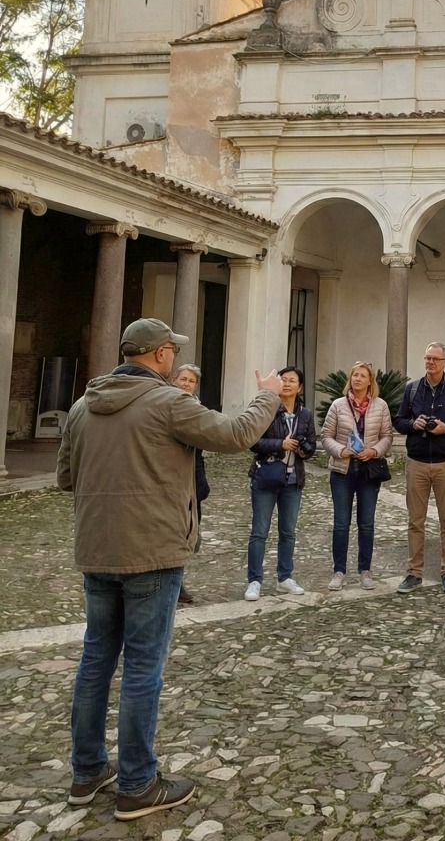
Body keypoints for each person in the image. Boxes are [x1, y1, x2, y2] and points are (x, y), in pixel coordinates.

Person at [57, 318, 282, 821]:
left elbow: (65, 477)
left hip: (96, 550)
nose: (175, 358)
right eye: (172, 352)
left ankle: (87, 770)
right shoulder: (167, 402)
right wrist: (268, 395)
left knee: (96, 661)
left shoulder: (79, 407)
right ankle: (137, 782)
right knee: (142, 666)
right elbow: (235, 434)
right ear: (159, 355)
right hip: (154, 552)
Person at [395, 342, 445, 595]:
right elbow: (399, 421)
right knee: (415, 521)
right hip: (417, 462)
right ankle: (414, 572)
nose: (430, 362)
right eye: (427, 358)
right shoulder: (412, 389)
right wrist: (413, 423)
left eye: (435, 359)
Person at [244, 366, 317, 601]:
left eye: (292, 380)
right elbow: (253, 441)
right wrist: (280, 444)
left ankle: (284, 577)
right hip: (266, 476)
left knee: (288, 532)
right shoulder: (266, 408)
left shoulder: (305, 415)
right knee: (259, 531)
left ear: (300, 387)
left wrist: (305, 450)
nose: (286, 384)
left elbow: (312, 445)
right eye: (283, 379)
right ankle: (254, 580)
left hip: (293, 479)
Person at [320, 361, 394, 590]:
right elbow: (325, 436)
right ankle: (339, 571)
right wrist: (341, 450)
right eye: (355, 375)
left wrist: (374, 451)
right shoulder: (338, 405)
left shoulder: (380, 406)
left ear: (370, 381)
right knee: (341, 523)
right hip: (343, 471)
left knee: (367, 523)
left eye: (363, 376)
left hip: (368, 471)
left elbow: (387, 436)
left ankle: (365, 570)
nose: (358, 379)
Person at [171, 363, 209, 606]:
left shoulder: (198, 410)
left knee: (190, 533)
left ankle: (178, 581)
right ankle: (173, 586)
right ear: (175, 380)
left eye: (191, 381)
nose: (186, 384)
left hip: (194, 476)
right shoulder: (167, 405)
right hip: (172, 478)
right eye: (183, 379)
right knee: (172, 532)